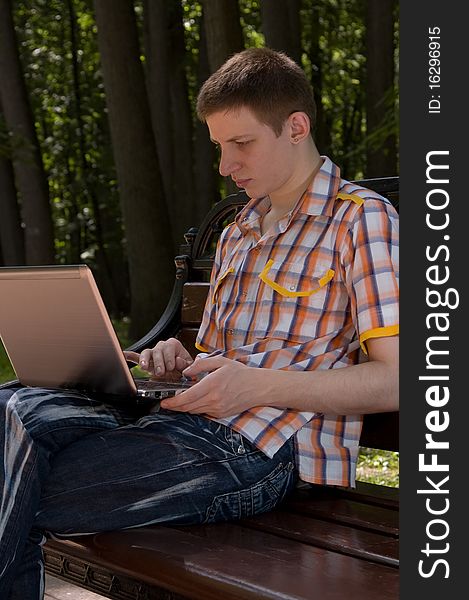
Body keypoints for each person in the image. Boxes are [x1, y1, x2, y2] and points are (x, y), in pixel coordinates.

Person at [0, 47, 398, 599]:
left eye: (241, 144)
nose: (225, 166)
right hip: (184, 421)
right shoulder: (238, 230)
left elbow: (399, 380)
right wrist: (179, 361)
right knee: (12, 403)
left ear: (296, 127)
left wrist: (255, 384)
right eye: (219, 147)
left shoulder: (361, 220)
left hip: (263, 450)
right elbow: (218, 357)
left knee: (11, 484)